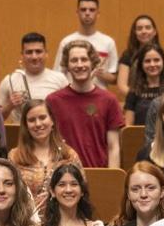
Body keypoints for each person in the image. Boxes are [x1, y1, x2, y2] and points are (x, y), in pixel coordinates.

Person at [45, 40, 124, 168]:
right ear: (67, 65)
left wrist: (111, 180)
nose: (79, 64)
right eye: (74, 60)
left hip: (99, 174)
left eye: (84, 59)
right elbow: (47, 145)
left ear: (93, 63)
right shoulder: (53, 101)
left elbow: (113, 147)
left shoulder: (109, 100)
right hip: (64, 178)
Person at [8, 100, 82, 211]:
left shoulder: (69, 155)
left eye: (42, 118)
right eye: (32, 120)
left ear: (52, 121)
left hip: (63, 219)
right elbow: (8, 192)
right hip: (26, 221)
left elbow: (81, 191)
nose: (38, 124)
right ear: (26, 125)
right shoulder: (14, 156)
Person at [0, 32, 68, 119]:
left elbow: (70, 112)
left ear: (46, 54)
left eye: (38, 51)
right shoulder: (9, 80)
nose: (34, 57)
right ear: (22, 55)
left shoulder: (60, 79)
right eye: (29, 52)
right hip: (20, 132)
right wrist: (10, 106)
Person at [53, 0, 119, 85]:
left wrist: (103, 74)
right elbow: (58, 75)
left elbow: (115, 79)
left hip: (99, 97)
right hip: (72, 96)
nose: (87, 13)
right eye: (83, 10)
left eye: (92, 10)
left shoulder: (108, 42)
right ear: (77, 13)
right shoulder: (66, 42)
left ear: (98, 14)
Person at [123, 43, 164, 128]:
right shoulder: (133, 92)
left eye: (156, 60)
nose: (152, 64)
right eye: (147, 61)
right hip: (140, 139)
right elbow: (129, 127)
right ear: (141, 65)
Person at [116, 14, 164, 99]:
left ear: (154, 31)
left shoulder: (163, 55)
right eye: (139, 28)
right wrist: (138, 100)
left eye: (148, 27)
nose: (144, 31)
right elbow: (122, 86)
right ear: (135, 33)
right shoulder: (128, 55)